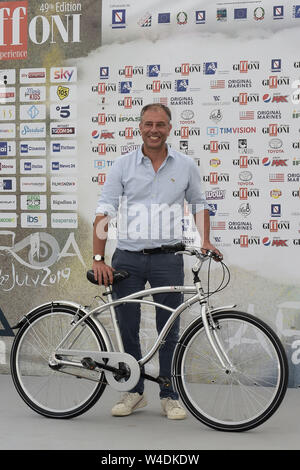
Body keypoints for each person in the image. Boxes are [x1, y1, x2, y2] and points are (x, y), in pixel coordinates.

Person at [92, 103, 222, 420]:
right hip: (128, 260)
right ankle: (134, 391)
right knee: (127, 327)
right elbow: (104, 211)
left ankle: (169, 393)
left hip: (168, 259)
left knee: (170, 329)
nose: (154, 129)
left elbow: (200, 204)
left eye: (160, 124)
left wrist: (205, 239)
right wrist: (98, 257)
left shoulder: (186, 165)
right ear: (139, 127)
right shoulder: (123, 165)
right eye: (149, 123)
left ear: (169, 128)